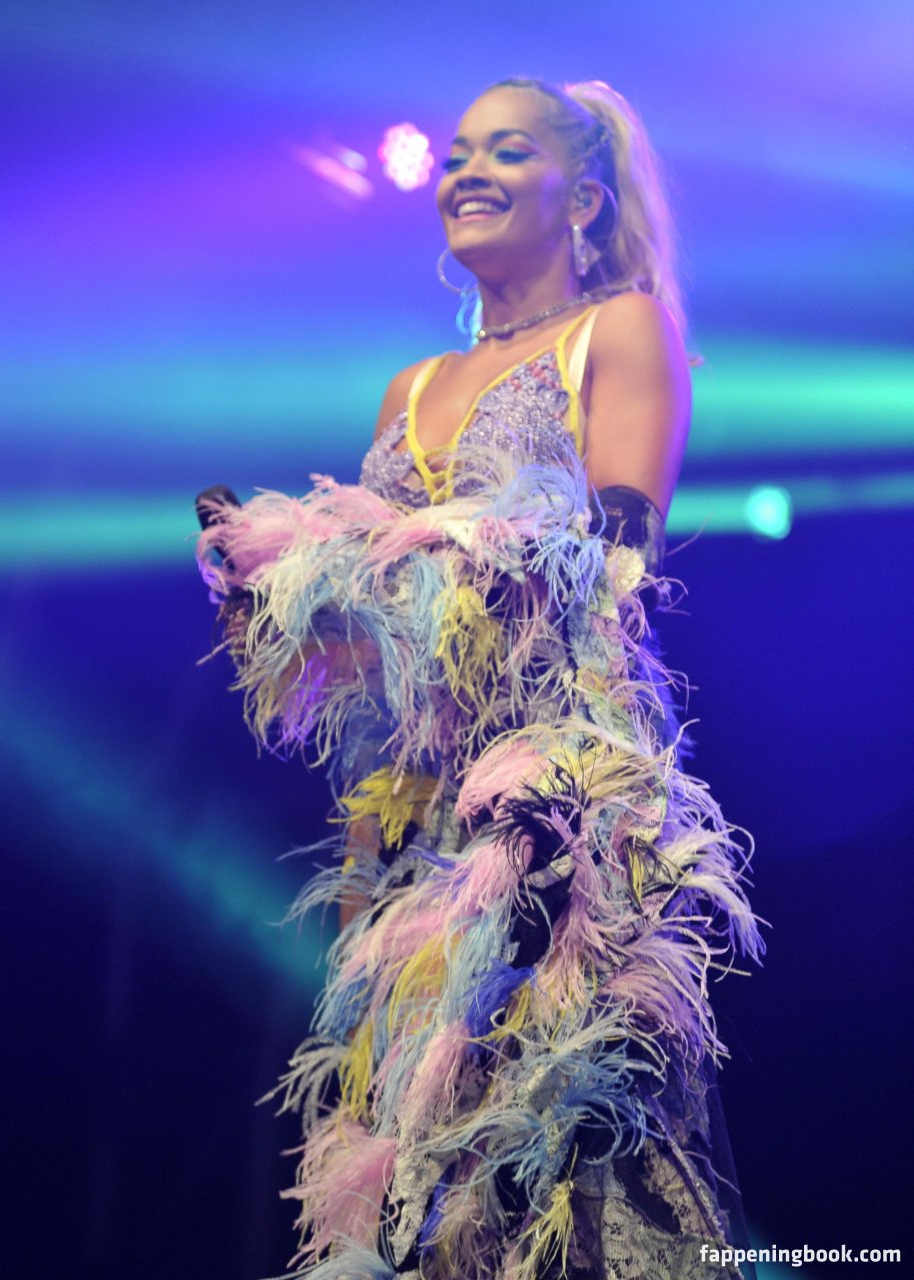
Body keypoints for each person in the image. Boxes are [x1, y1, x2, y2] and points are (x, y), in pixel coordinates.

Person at [198, 78, 762, 1280]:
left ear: (582, 198)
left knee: (553, 1135)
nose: (465, 171)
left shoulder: (617, 329)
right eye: (457, 152)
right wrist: (277, 605)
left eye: (505, 151)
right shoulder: (407, 388)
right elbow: (372, 646)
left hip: (553, 789)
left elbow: (611, 558)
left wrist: (425, 563)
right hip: (407, 813)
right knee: (410, 1152)